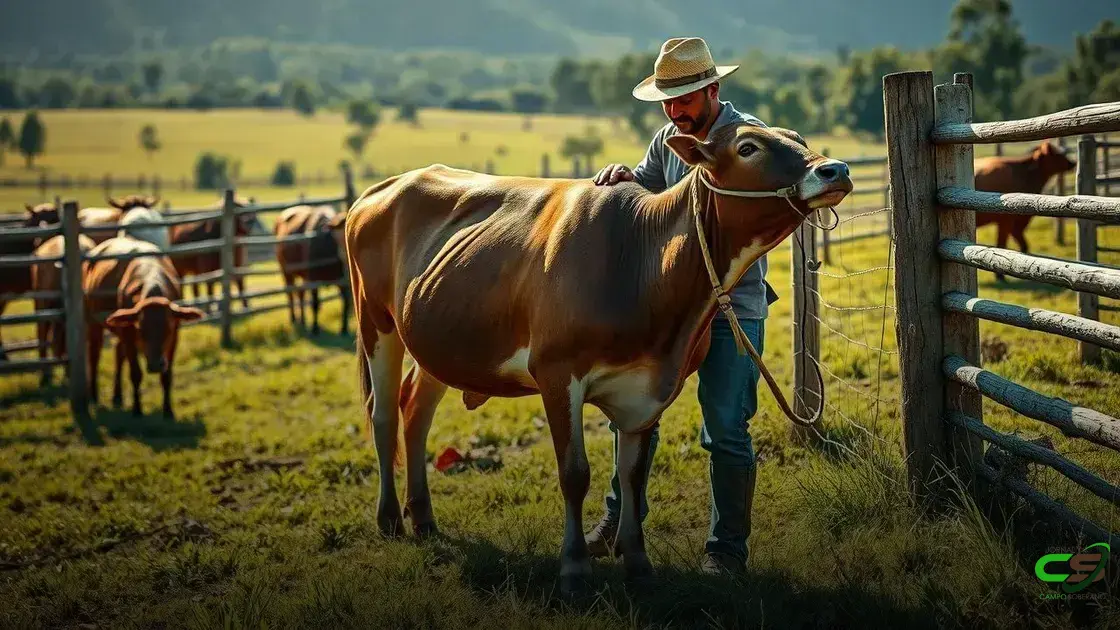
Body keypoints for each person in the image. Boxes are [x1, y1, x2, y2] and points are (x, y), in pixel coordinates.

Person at [585, 36, 777, 575]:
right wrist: (627, 177)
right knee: (633, 414)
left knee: (725, 430)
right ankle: (619, 522)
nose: (675, 112)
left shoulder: (749, 139)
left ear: (713, 90)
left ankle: (725, 552)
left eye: (685, 99)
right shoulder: (669, 138)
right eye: (667, 102)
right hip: (667, 311)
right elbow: (651, 192)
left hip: (732, 306)